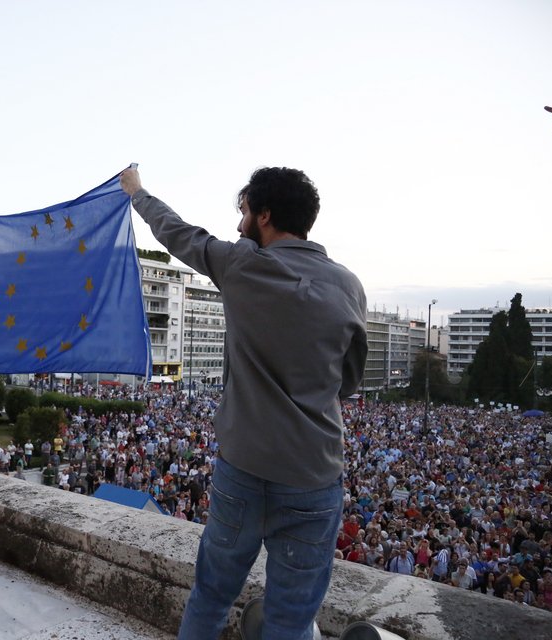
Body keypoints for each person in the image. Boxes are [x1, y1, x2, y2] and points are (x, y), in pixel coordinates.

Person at [120, 166, 367, 640]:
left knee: (211, 595)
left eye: (244, 212)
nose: (238, 225)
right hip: (312, 474)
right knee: (291, 619)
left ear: (265, 215)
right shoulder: (348, 286)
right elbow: (348, 383)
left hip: (243, 467)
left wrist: (137, 192)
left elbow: (178, 233)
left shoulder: (241, 264)